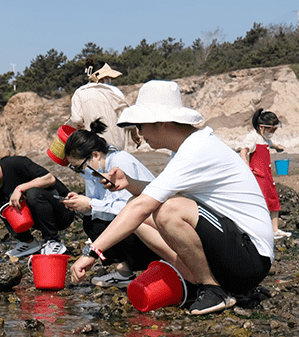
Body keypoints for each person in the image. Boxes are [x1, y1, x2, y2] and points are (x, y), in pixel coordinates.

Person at [69, 80, 274, 315]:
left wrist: (93, 253)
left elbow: (148, 205)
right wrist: (130, 183)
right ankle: (199, 281)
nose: (140, 134)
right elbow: (160, 194)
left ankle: (214, 289)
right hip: (234, 254)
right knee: (138, 210)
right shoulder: (185, 150)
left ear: (162, 123)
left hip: (251, 259)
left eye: (141, 126)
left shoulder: (196, 149)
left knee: (166, 211)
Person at [61, 119, 167, 287]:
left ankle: (152, 265)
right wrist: (81, 203)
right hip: (138, 226)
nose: (79, 172)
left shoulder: (119, 162)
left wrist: (90, 204)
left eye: (79, 167)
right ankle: (123, 272)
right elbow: (101, 203)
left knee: (100, 220)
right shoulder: (98, 170)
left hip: (154, 230)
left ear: (95, 155)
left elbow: (130, 208)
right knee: (91, 222)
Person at [240, 109, 291, 239]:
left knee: (273, 201)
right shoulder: (253, 137)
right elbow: (243, 151)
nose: (272, 133)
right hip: (257, 176)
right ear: (262, 127)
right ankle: (258, 230)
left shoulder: (264, 138)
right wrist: (246, 165)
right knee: (260, 203)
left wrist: (278, 147)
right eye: (271, 130)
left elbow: (270, 144)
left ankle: (274, 230)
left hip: (267, 175)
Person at [68, 63, 138, 151]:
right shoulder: (115, 92)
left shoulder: (79, 92)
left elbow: (77, 119)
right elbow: (127, 118)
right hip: (116, 147)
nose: (109, 80)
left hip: (93, 147)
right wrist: (134, 134)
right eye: (107, 77)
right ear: (101, 77)